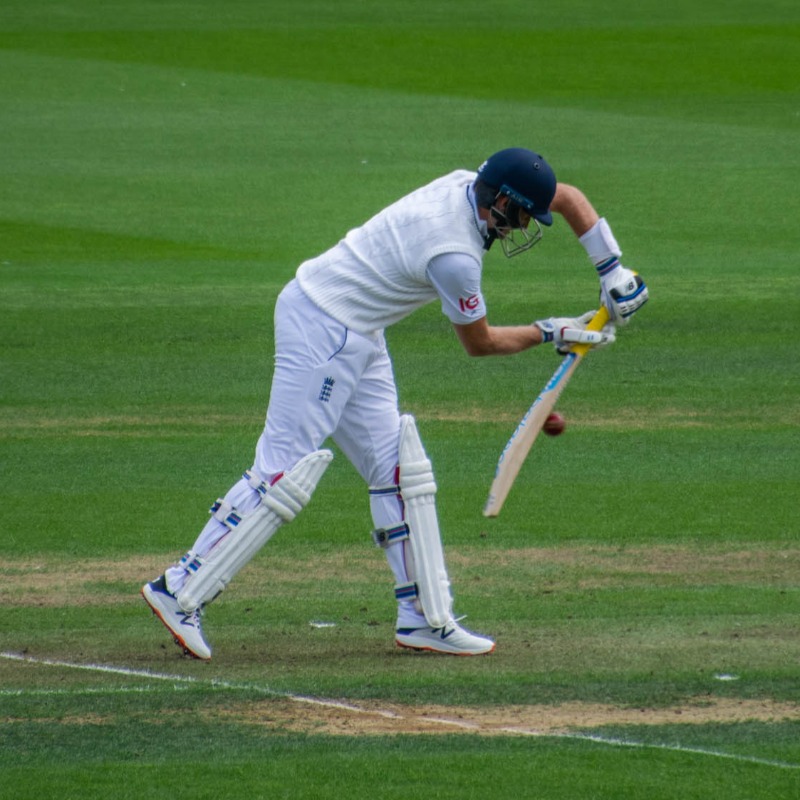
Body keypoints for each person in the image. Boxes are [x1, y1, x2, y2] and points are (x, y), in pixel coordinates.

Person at [142, 147, 648, 660]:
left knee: (400, 471)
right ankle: (180, 589)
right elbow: (481, 343)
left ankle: (425, 619)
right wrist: (550, 331)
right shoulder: (454, 257)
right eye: (519, 216)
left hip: (360, 326)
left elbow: (566, 197)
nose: (522, 227)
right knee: (282, 473)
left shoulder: (473, 182)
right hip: (324, 326)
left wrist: (612, 270)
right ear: (498, 200)